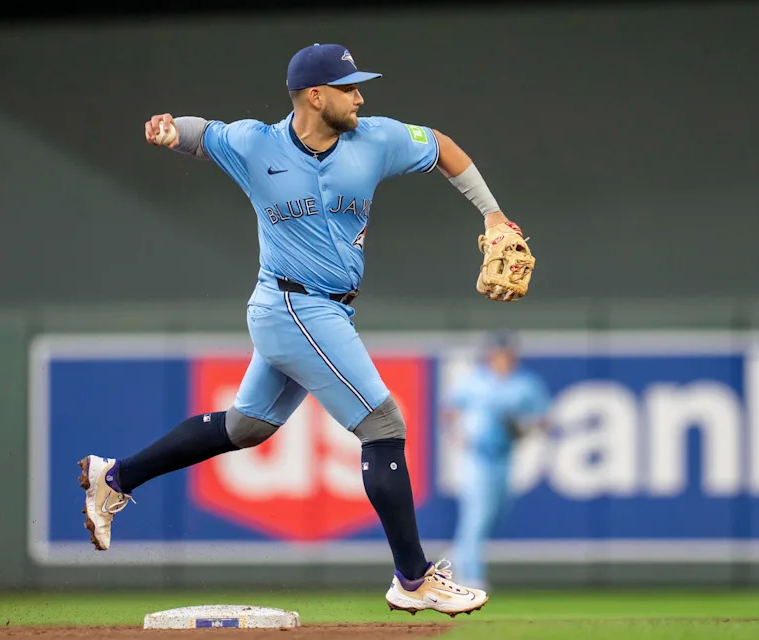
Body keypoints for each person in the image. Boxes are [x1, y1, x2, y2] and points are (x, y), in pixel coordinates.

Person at [78, 42, 533, 617]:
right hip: (291, 305)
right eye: (349, 88)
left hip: (329, 309)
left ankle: (115, 477)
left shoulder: (377, 139)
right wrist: (168, 129)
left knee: (245, 428)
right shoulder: (255, 144)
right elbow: (202, 132)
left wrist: (491, 213)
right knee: (384, 424)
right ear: (315, 96)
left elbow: (440, 146)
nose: (360, 97)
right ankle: (414, 579)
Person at [442, 331, 551, 590]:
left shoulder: (525, 384)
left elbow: (544, 419)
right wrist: (455, 435)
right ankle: (472, 577)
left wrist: (525, 426)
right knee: (477, 516)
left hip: (504, 455)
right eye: (497, 353)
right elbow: (449, 409)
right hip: (476, 456)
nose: (501, 358)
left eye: (506, 353)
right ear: (490, 355)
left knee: (498, 512)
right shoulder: (475, 380)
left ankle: (457, 555)